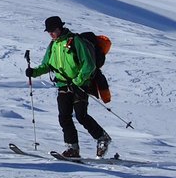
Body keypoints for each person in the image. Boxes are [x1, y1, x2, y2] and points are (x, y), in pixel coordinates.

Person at [25, 16, 112, 158]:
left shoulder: (75, 41)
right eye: (49, 32)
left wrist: (78, 80)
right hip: (63, 85)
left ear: (60, 28)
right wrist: (34, 72)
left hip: (80, 85)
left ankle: (102, 138)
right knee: (64, 117)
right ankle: (72, 149)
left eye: (53, 31)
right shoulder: (53, 45)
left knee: (81, 116)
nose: (51, 34)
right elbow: (47, 65)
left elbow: (89, 64)